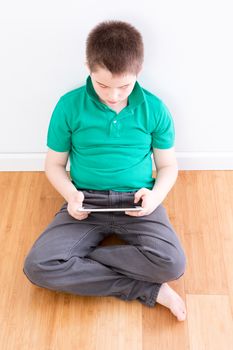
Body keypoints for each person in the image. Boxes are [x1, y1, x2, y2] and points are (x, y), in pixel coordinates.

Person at [23, 20, 187, 321]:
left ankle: (79, 262)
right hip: (85, 202)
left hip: (138, 202)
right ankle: (146, 289)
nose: (113, 95)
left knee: (173, 264)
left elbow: (167, 165)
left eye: (124, 86)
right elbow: (55, 164)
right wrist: (71, 195)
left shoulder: (155, 109)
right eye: (103, 85)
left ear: (138, 71)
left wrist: (154, 196)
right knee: (37, 266)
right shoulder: (68, 106)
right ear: (88, 66)